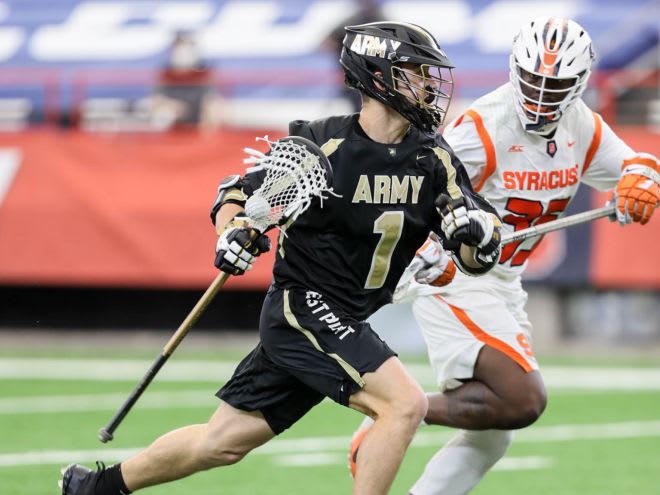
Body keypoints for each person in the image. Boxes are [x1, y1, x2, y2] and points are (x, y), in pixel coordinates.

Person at [59, 21, 504, 495]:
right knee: (403, 405)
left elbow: (479, 254)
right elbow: (235, 195)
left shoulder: (433, 158)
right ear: (378, 76)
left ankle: (97, 488)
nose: (428, 85)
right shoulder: (323, 146)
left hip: (346, 318)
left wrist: (474, 234)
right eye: (414, 72)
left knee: (222, 441)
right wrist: (232, 233)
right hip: (303, 308)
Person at [349, 16, 660, 494]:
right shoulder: (485, 126)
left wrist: (642, 181)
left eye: (553, 85)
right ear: (516, 69)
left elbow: (636, 165)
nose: (539, 94)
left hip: (503, 282)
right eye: (532, 79)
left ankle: (405, 432)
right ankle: (396, 408)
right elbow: (418, 189)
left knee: (494, 434)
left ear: (579, 84)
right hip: (458, 275)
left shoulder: (582, 126)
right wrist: (421, 248)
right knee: (523, 400)